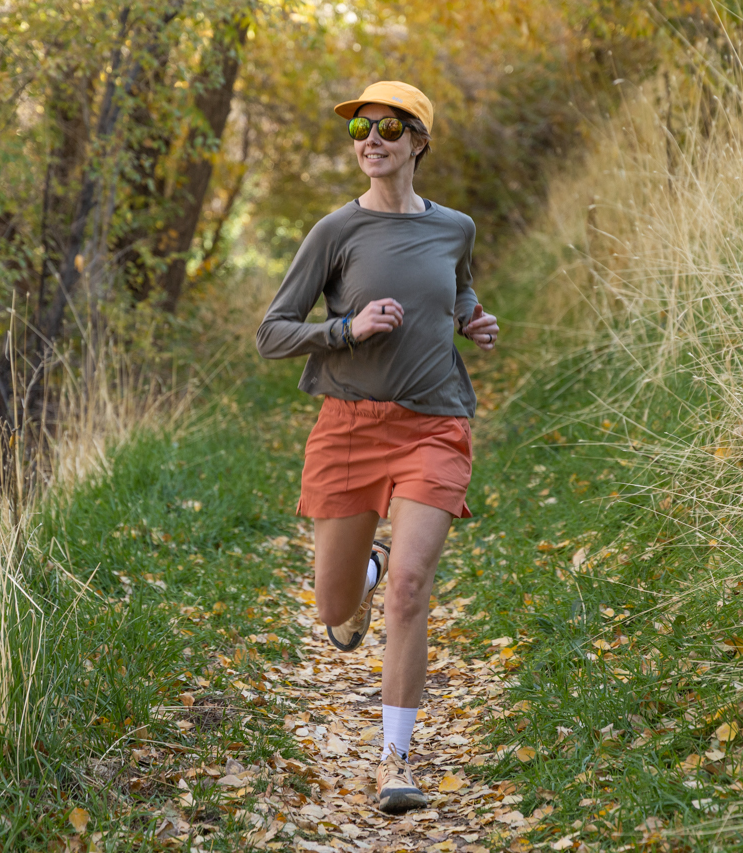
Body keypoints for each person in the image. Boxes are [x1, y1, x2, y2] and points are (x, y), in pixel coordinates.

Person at [256, 81, 500, 814]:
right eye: (361, 126)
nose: (371, 138)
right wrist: (346, 329)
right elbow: (272, 331)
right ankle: (365, 565)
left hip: (435, 423)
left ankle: (395, 760)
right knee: (336, 606)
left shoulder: (455, 227)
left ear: (418, 141)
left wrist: (472, 320)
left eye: (390, 126)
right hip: (350, 429)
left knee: (411, 590)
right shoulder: (335, 231)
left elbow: (458, 290)